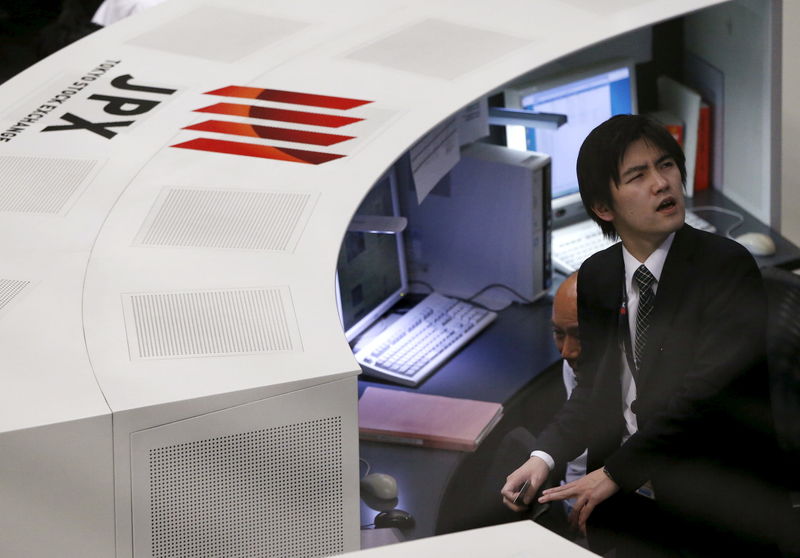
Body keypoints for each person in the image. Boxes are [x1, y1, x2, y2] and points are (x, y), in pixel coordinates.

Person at [501, 114, 785, 557]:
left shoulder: (726, 269)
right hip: (627, 500)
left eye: (667, 166)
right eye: (638, 175)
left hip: (714, 505)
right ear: (603, 207)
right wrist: (544, 458)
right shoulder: (597, 277)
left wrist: (615, 473)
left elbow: (700, 402)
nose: (662, 184)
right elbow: (594, 390)